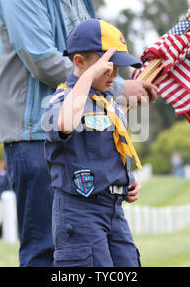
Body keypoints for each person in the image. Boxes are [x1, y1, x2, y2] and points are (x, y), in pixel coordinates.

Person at [0, 0, 158, 267]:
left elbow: (94, 43)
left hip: (85, 140)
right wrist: (120, 87)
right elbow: (44, 61)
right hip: (33, 134)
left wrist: (125, 178)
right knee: (46, 249)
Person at [42, 19, 142, 267]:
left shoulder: (108, 102)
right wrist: (88, 77)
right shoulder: (65, 97)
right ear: (79, 62)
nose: (115, 74)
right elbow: (64, 123)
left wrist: (125, 181)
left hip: (113, 210)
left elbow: (105, 150)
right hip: (79, 211)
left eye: (118, 67)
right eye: (107, 66)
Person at [0, 157, 11, 239]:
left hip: (9, 196)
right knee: (6, 216)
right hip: (7, 196)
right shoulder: (2, 172)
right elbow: (2, 184)